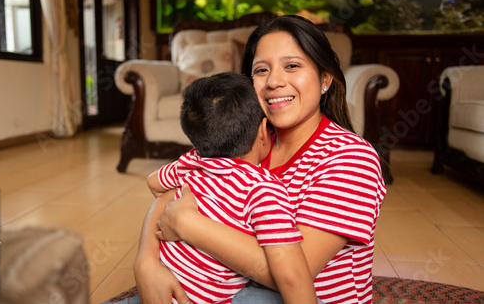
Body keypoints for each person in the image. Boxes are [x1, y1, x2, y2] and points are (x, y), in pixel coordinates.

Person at [133, 15, 387, 304]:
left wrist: (189, 224)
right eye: (261, 70)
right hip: (230, 291)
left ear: (325, 78)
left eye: (292, 66)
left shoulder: (351, 159)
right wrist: (146, 261)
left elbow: (293, 272)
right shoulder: (242, 141)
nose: (274, 82)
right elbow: (169, 193)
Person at [145, 72, 318, 304]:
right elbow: (291, 277)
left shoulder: (192, 161)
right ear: (262, 130)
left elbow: (154, 182)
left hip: (163, 289)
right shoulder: (264, 188)